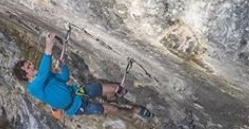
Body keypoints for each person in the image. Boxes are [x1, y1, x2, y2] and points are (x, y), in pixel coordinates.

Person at [13, 32, 152, 119]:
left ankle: (114, 94)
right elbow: (43, 74)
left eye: (30, 64)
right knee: (112, 109)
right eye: (29, 67)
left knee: (114, 87)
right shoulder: (34, 88)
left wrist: (63, 67)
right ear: (26, 76)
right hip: (75, 107)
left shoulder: (45, 76)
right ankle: (133, 111)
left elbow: (64, 79)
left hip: (77, 91)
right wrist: (48, 47)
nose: (32, 66)